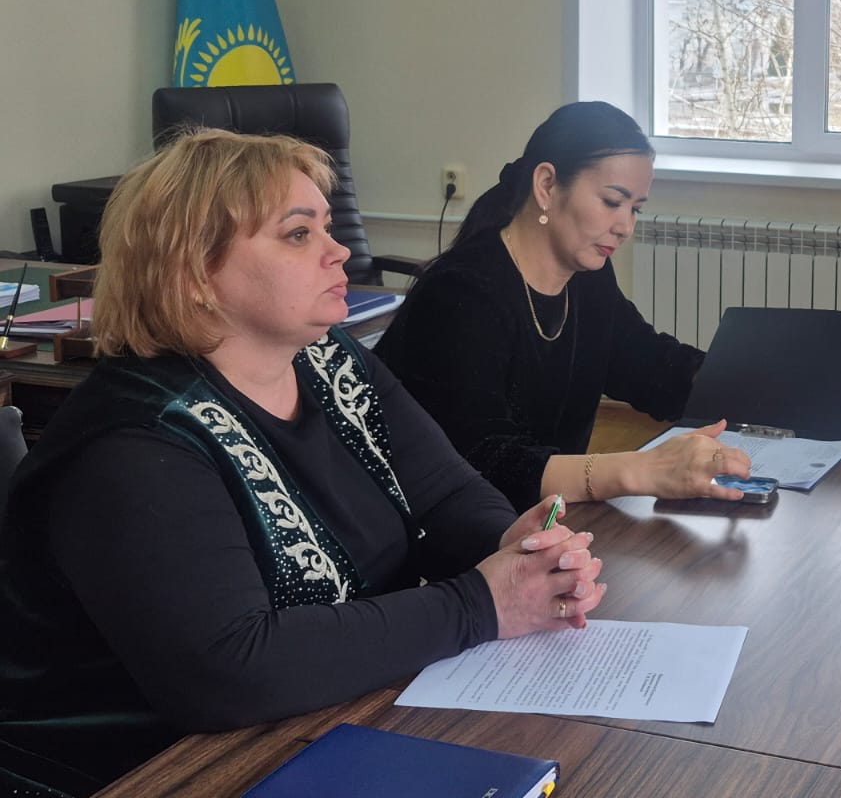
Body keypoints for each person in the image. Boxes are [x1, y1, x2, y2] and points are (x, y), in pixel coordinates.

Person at [0, 130, 605, 798]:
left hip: (325, 720)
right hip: (146, 771)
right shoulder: (135, 442)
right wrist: (481, 605)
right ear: (195, 276)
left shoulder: (328, 357)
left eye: (326, 226)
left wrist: (515, 545)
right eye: (297, 234)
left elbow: (444, 492)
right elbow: (231, 669)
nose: (337, 249)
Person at [376, 101, 756, 511]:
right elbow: (484, 462)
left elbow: (649, 365)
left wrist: (752, 388)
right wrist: (638, 470)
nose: (625, 227)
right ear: (546, 185)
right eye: (612, 202)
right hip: (432, 530)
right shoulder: (460, 295)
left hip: (538, 520)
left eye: (635, 209)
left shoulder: (588, 277)